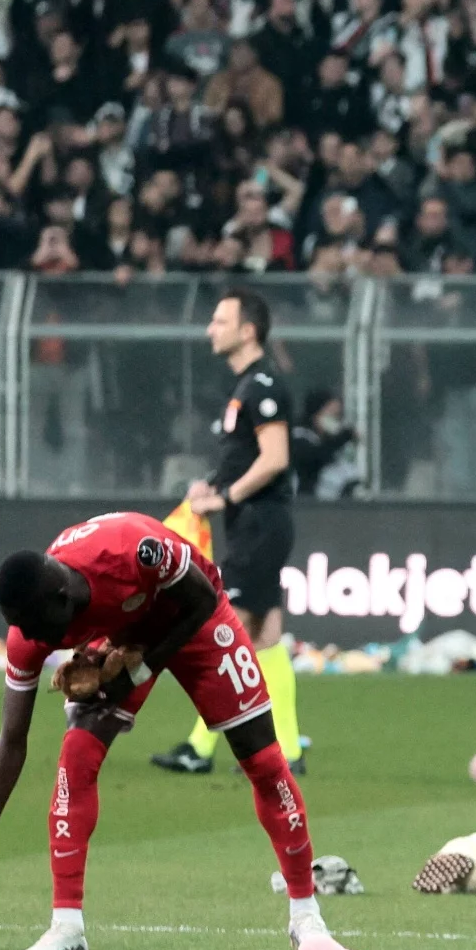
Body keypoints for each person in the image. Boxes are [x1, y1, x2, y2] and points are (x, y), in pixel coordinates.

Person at [0, 512, 322, 950]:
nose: (31, 639)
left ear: (61, 598)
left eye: (35, 626)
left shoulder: (134, 551)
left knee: (263, 761)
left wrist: (136, 671)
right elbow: (10, 742)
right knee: (76, 752)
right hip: (124, 629)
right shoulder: (29, 630)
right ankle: (66, 925)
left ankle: (305, 914)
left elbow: (197, 601)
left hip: (196, 613)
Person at [152, 291, 305, 777]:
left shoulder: (263, 385)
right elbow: (246, 456)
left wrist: (228, 496)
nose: (209, 329)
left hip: (259, 523)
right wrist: (212, 485)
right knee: (265, 640)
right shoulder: (247, 384)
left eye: (220, 320)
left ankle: (202, 748)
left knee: (224, 638)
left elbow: (275, 457)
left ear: (248, 330)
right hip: (255, 523)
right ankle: (288, 752)